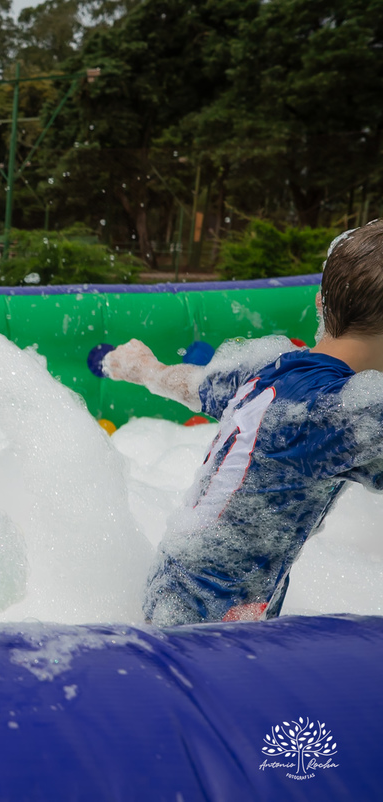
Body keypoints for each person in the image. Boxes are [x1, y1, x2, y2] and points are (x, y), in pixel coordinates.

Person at [103, 220, 383, 626]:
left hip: (171, 585)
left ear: (321, 303)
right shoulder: (341, 412)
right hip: (219, 622)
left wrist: (147, 369)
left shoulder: (268, 368)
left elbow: (194, 385)